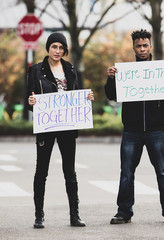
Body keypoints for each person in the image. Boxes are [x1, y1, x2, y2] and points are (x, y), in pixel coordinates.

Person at [104, 29, 164, 224]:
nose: (142, 49)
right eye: (138, 46)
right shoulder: (126, 72)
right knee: (127, 173)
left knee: (163, 172)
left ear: (150, 47)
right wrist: (111, 78)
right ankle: (123, 212)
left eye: (145, 45)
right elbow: (111, 95)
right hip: (131, 131)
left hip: (156, 130)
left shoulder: (162, 71)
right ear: (134, 48)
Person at [26, 32, 94, 228]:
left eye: (61, 48)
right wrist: (31, 103)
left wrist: (87, 99)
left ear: (65, 50)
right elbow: (29, 100)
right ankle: (39, 215)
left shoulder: (70, 69)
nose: (57, 51)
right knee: (42, 171)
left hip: (67, 126)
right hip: (46, 125)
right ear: (48, 48)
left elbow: (76, 95)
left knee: (70, 171)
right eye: (54, 47)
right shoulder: (36, 70)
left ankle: (75, 215)